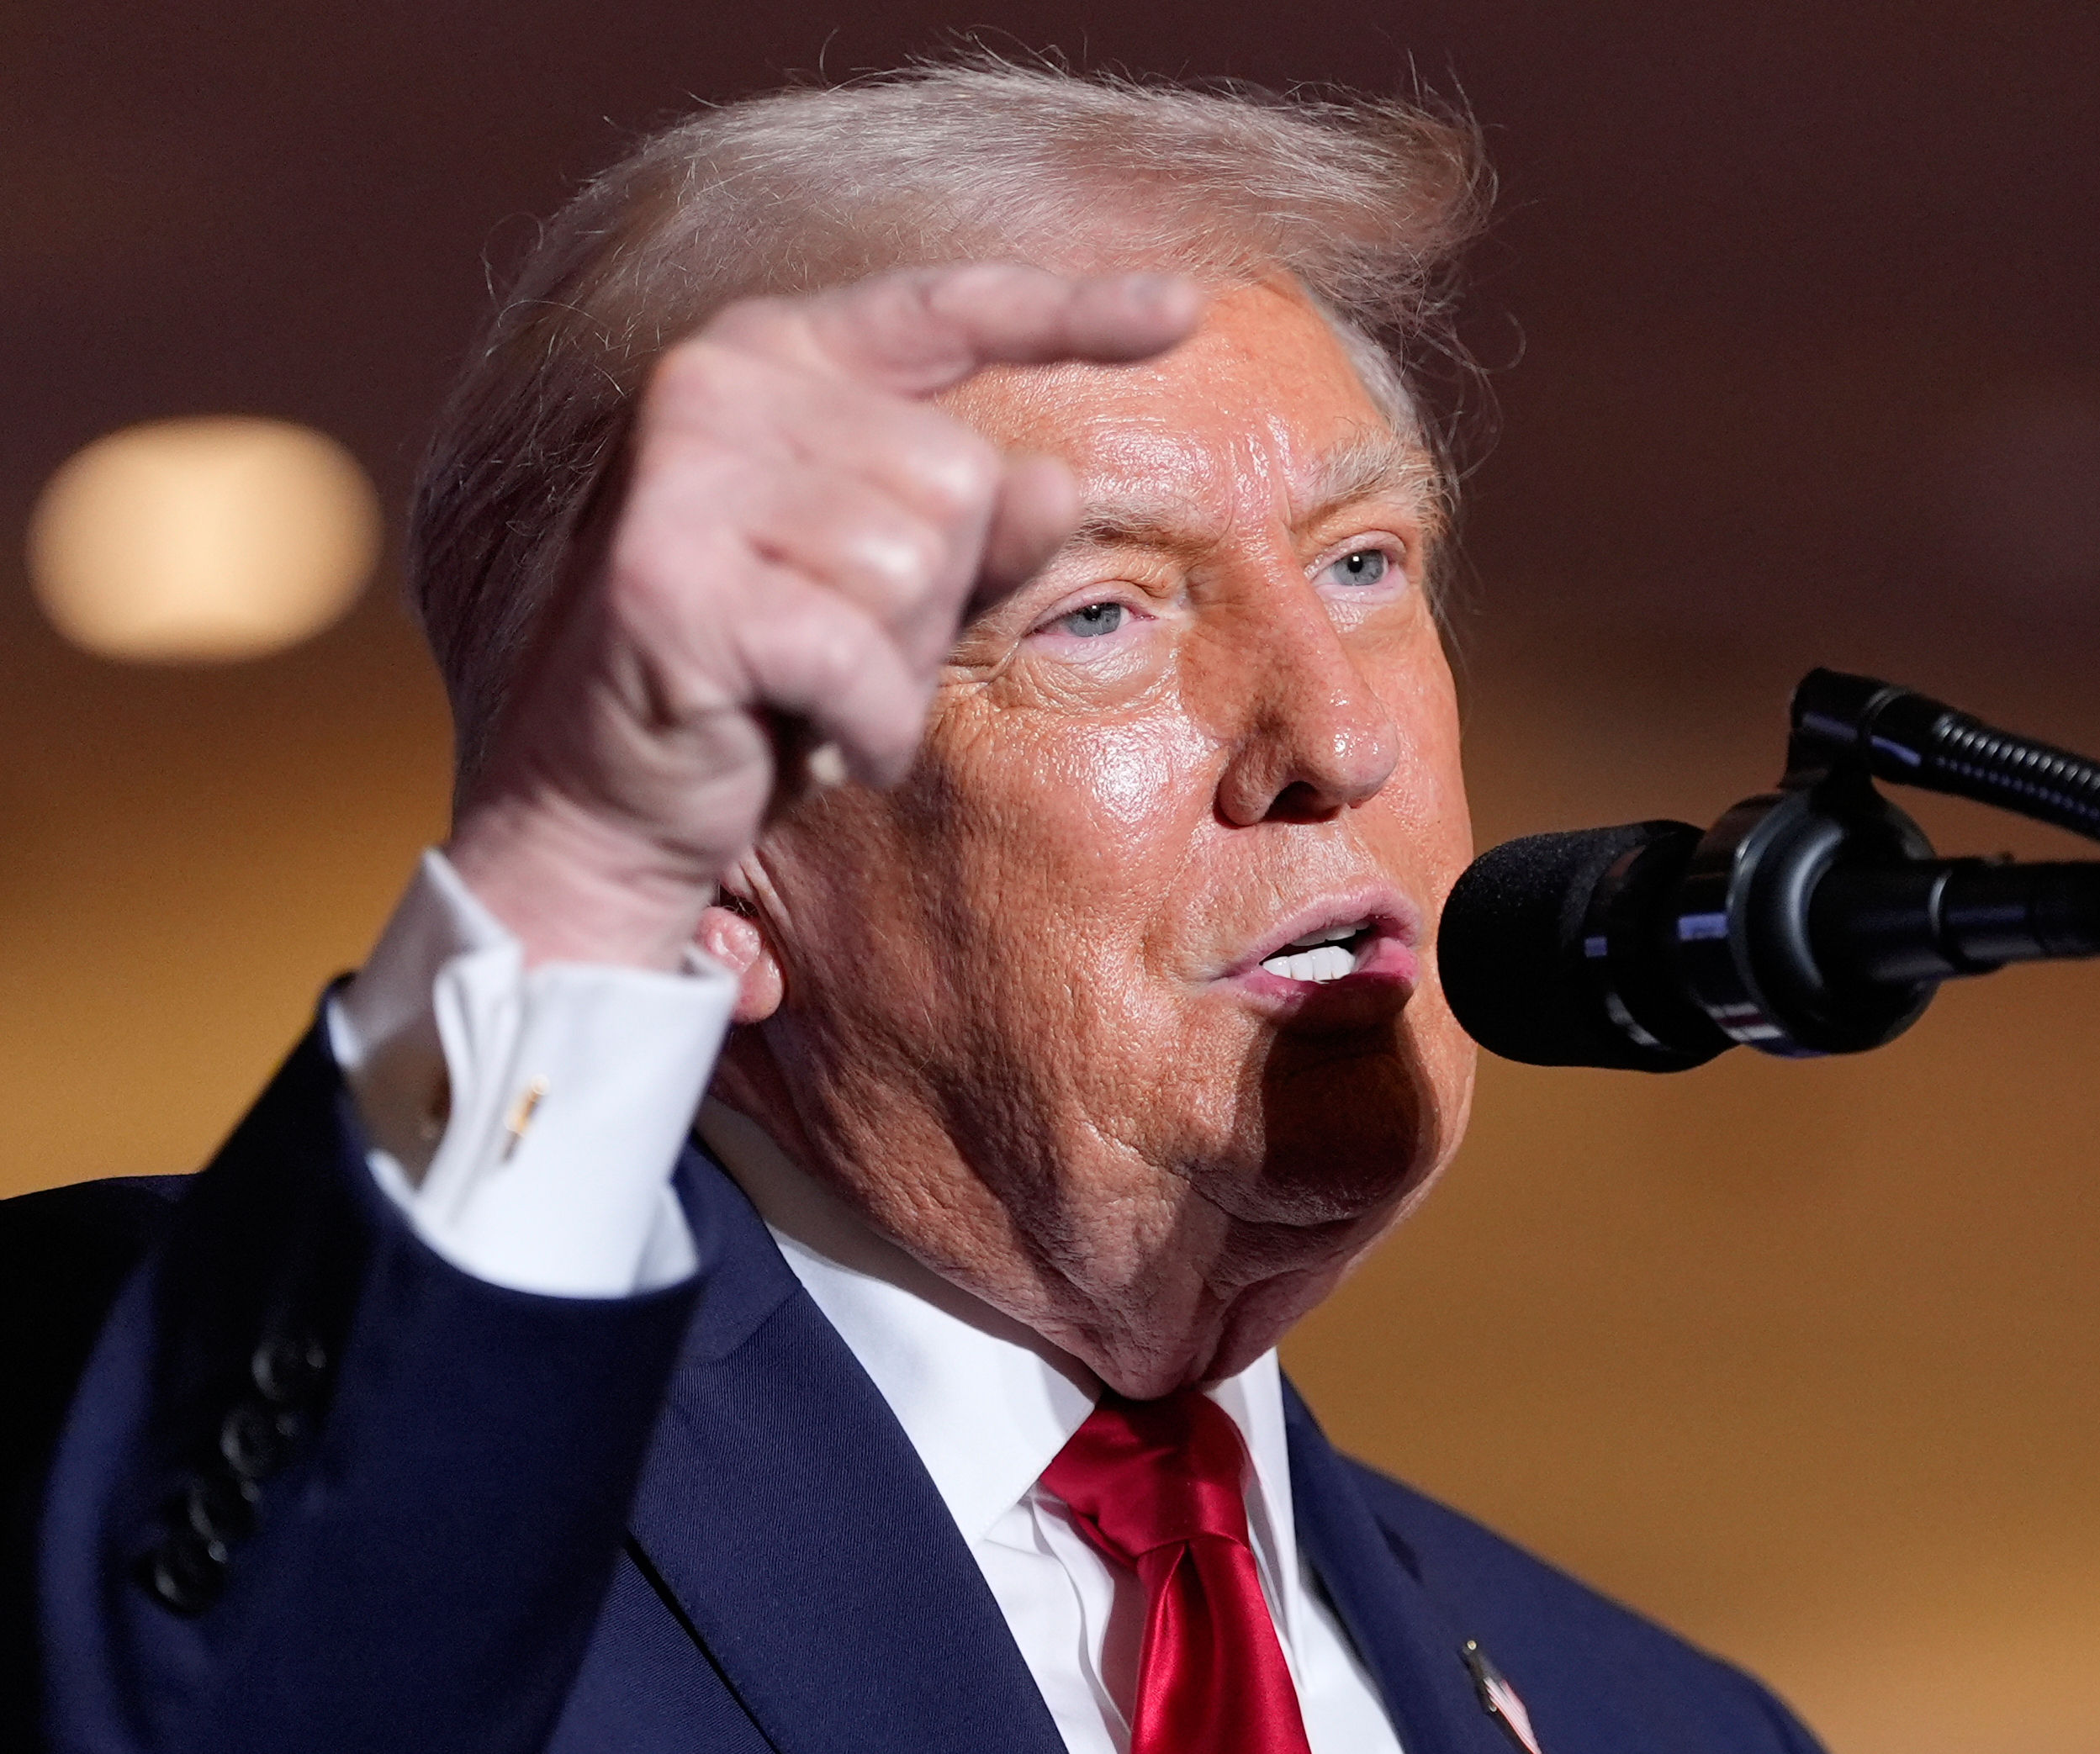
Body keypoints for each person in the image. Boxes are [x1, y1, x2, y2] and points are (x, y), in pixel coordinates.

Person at [3, 60, 1828, 1754]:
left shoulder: (1658, 1720)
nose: (1334, 733)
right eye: (1097, 611)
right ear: (723, 847)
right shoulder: (157, 1395)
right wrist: (570, 890)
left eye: (1361, 563)